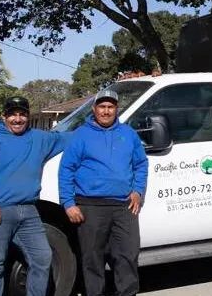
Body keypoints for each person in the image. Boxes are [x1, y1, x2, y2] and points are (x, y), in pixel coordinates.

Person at [0, 95, 67, 296]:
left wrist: (94, 125)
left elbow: (68, 138)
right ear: (4, 117)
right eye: (13, 115)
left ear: (28, 117)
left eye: (22, 115)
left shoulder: (39, 138)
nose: (17, 119)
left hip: (28, 212)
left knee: (43, 258)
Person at [58, 89, 149, 296]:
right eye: (102, 106)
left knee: (127, 255)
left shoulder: (128, 134)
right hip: (90, 206)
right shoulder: (80, 135)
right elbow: (66, 169)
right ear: (94, 108)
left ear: (116, 109)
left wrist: (137, 191)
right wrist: (68, 203)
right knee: (92, 258)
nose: (106, 111)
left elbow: (141, 164)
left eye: (110, 107)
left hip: (124, 206)